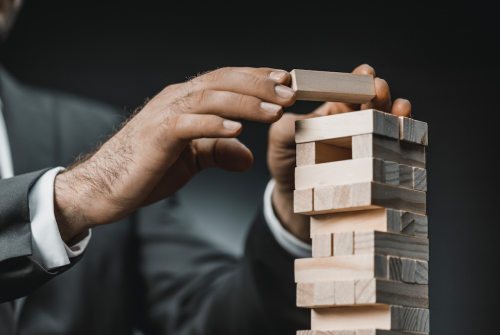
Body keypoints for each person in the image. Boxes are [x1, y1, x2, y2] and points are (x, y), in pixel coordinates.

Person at [0, 1, 412, 334]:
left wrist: (296, 217)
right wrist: (71, 198)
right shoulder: (104, 162)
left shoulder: (92, 134)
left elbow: (205, 317)